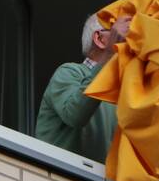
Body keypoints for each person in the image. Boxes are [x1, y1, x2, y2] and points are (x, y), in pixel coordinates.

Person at [35, 13, 131, 164]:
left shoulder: (124, 95)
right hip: (56, 175)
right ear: (99, 39)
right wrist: (110, 54)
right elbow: (74, 114)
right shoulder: (69, 73)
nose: (129, 39)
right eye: (117, 32)